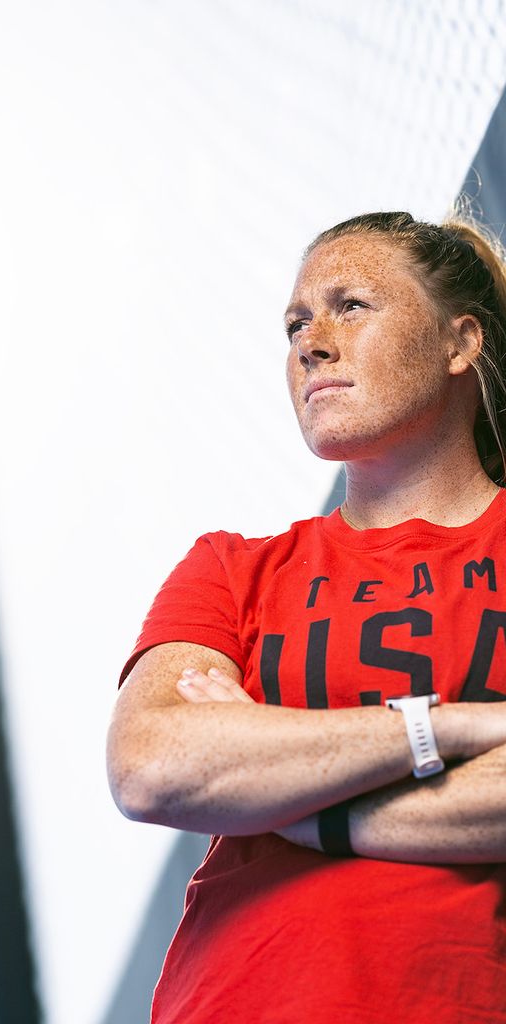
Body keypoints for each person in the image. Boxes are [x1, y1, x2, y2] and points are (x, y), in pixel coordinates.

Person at [106, 209, 506, 1023]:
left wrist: (293, 802)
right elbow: (152, 764)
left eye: (350, 306)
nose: (309, 343)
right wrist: (454, 731)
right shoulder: (231, 569)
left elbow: (213, 770)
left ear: (461, 342)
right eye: (295, 323)